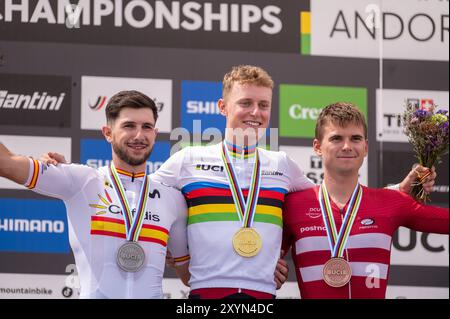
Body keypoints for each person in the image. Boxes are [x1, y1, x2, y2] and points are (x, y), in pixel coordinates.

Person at [151, 65, 435, 299]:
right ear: (223, 107)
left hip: (263, 297)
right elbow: (142, 197)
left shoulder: (282, 165)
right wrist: (179, 258)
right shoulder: (187, 159)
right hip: (204, 296)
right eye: (245, 103)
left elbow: (332, 199)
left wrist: (395, 193)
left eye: (263, 105)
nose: (255, 112)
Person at [0, 90, 190, 299]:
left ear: (155, 134)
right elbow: (6, 164)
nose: (139, 135)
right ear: (108, 132)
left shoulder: (173, 199)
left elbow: (188, 276)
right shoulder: (80, 181)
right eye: (129, 126)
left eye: (146, 127)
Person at [282, 102, 449, 299]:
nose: (347, 146)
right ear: (317, 147)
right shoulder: (292, 205)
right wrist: (271, 269)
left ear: (366, 147)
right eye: (336, 138)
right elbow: (262, 258)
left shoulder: (391, 202)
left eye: (355, 138)